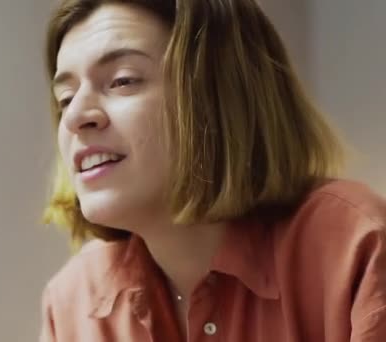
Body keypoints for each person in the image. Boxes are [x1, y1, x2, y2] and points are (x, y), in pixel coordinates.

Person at [39, 0, 386, 341]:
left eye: (122, 81)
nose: (73, 117)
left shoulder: (354, 245)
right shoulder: (71, 302)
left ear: (220, 95)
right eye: (66, 98)